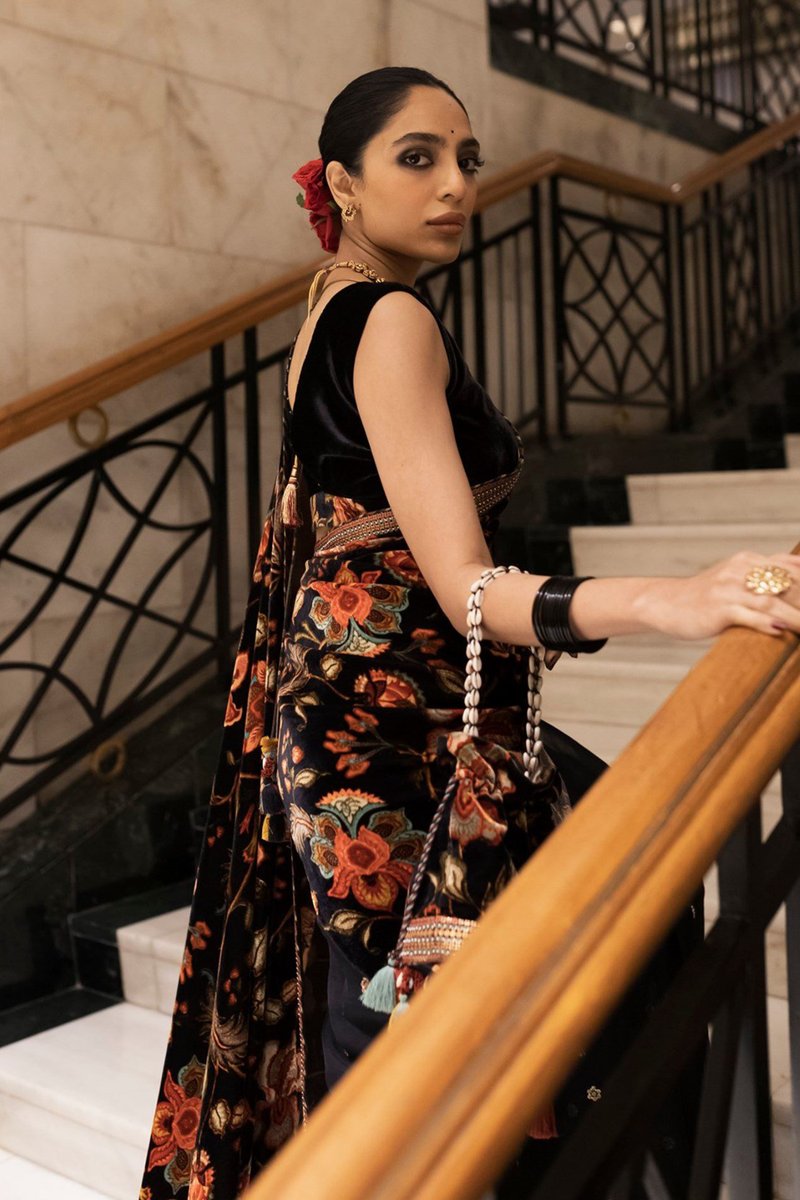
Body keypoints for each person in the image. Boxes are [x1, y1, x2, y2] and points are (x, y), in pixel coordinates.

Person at [138, 66, 800, 1200]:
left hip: (363, 726)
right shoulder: (388, 318)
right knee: (450, 1035)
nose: (455, 185)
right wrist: (674, 599)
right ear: (342, 184)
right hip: (394, 748)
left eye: (467, 159)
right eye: (417, 158)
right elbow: (468, 590)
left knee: (413, 1034)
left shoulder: (332, 303)